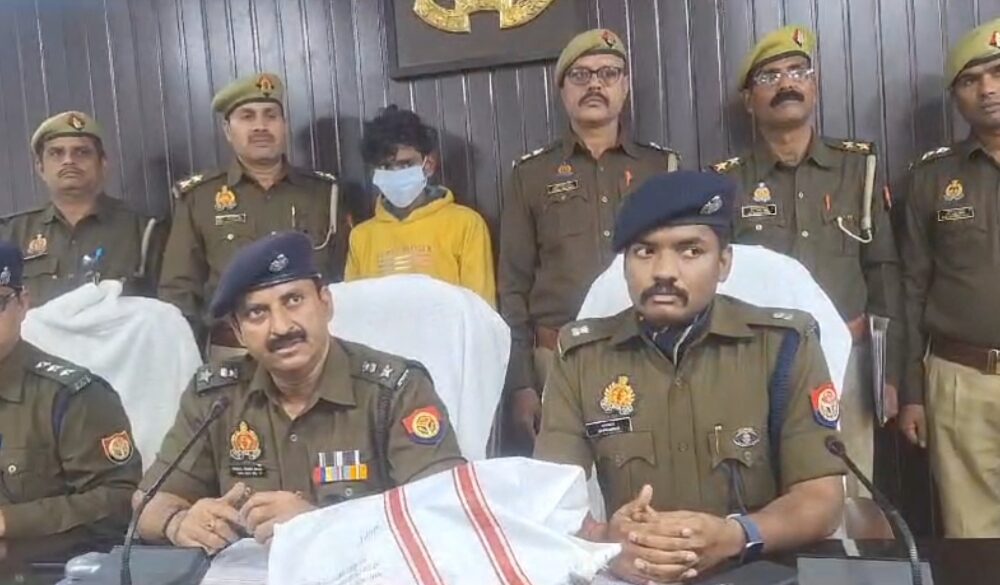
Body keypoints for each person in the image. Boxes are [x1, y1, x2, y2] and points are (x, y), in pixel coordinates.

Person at [535, 171, 845, 583]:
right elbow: (550, 499)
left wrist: (735, 535)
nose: (664, 271)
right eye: (645, 252)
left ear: (723, 263)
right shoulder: (581, 357)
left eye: (690, 251)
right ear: (624, 264)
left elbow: (822, 500)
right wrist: (605, 543)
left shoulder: (782, 346)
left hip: (755, 570)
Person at [135, 231, 464, 551]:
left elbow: (447, 511)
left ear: (325, 303)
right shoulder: (216, 397)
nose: (281, 327)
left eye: (293, 300)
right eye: (257, 313)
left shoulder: (395, 391)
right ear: (238, 331)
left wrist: (321, 525)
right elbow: (146, 503)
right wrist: (177, 522)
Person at [710, 26, 904, 496]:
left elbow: (883, 271)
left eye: (798, 71)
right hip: (759, 365)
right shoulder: (725, 183)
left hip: (850, 363)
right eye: (769, 76)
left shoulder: (857, 168)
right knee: (771, 492)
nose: (786, 83)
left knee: (850, 495)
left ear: (814, 86)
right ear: (749, 101)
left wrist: (889, 373)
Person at [499, 28, 680, 452]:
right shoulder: (530, 175)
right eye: (580, 75)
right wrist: (521, 383)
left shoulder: (662, 167)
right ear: (562, 90)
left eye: (608, 73)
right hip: (558, 358)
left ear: (625, 86)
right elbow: (513, 286)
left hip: (652, 351)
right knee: (569, 476)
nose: (595, 84)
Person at [158, 72, 349, 357]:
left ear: (284, 125)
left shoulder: (324, 193)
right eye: (247, 117)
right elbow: (179, 290)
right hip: (232, 351)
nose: (261, 126)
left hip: (312, 348)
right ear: (228, 130)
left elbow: (344, 277)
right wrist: (185, 357)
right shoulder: (199, 198)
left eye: (270, 115)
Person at [899, 17, 1000, 538]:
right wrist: (912, 393)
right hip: (963, 378)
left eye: (998, 73)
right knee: (973, 537)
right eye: (970, 80)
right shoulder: (932, 178)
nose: (987, 89)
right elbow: (910, 289)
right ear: (956, 97)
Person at [0, 239, 141, 540]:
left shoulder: (72, 397)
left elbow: (119, 502)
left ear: (23, 303)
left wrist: (10, 524)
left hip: (39, 563)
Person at [0, 111, 165, 306]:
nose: (69, 160)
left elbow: (166, 310)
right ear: (40, 167)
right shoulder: (11, 234)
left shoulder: (144, 231)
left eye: (82, 152)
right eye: (56, 153)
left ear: (103, 163)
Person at [347, 105, 496, 306]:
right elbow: (354, 310)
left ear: (429, 165)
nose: (396, 173)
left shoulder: (466, 225)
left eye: (406, 164)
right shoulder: (361, 237)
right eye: (386, 166)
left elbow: (481, 310)